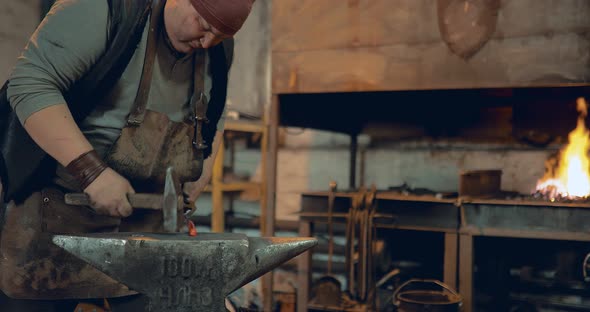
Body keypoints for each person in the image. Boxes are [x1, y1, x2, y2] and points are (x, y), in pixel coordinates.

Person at [0, 0, 254, 310]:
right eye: (204, 24)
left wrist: (197, 176)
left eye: (221, 35)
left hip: (144, 230)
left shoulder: (217, 50)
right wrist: (91, 171)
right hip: (53, 215)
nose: (208, 42)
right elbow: (30, 84)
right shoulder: (105, 9)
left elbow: (216, 116)